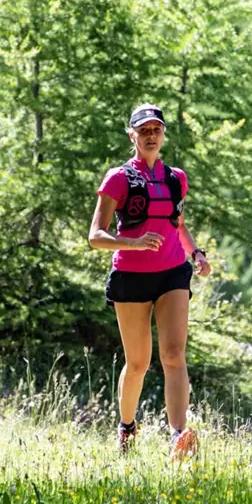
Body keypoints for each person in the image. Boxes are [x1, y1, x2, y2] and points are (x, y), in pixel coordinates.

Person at [88, 104, 212, 457]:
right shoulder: (119, 178)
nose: (151, 135)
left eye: (156, 129)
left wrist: (196, 254)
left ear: (163, 134)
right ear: (133, 136)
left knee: (174, 355)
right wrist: (133, 242)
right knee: (139, 362)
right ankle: (127, 426)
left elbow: (178, 224)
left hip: (172, 272)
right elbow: (96, 235)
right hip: (131, 275)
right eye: (144, 131)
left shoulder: (176, 178)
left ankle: (178, 436)